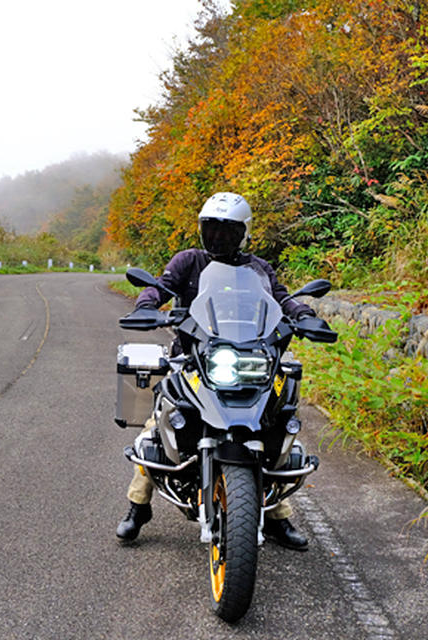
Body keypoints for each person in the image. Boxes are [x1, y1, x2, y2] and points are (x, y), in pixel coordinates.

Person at [116, 192, 316, 550]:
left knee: (270, 422)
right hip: (195, 358)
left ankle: (276, 515)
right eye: (213, 229)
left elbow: (281, 298)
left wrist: (303, 314)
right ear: (201, 230)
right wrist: (146, 306)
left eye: (228, 231)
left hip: (250, 357)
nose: (219, 237)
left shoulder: (258, 269)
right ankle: (138, 506)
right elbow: (161, 287)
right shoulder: (187, 261)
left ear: (244, 233)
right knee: (158, 426)